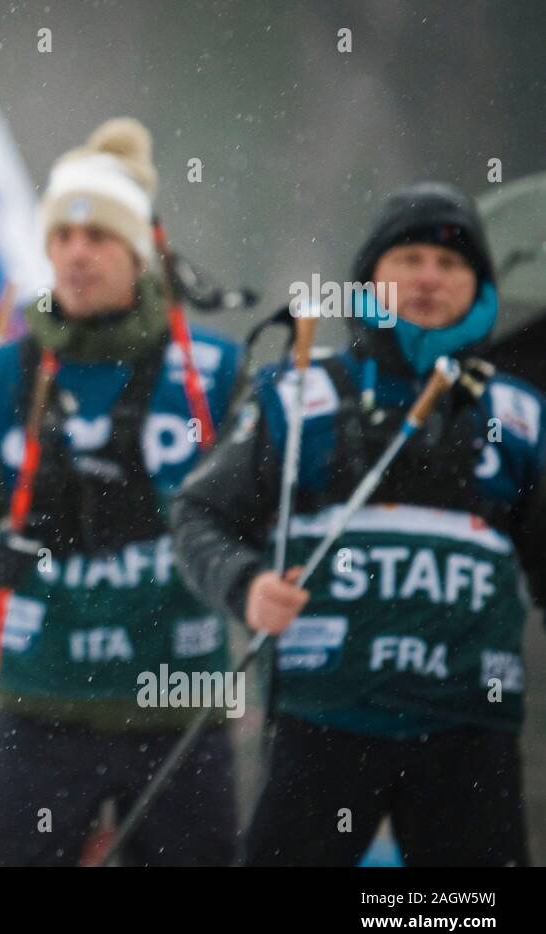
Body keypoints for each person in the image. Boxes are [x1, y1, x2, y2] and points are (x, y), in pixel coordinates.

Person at [171, 181, 546, 866]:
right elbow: (199, 513)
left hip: (469, 736)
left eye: (453, 262)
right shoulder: (298, 393)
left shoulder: (519, 412)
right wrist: (246, 587)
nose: (430, 276)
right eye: (408, 257)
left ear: (480, 286)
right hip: (324, 726)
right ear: (369, 276)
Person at [0, 118, 244, 866]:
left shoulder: (213, 372)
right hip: (39, 707)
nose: (77, 254)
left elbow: (260, 520)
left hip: (177, 705)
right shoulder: (3, 374)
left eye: (98, 239)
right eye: (62, 238)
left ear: (139, 252)